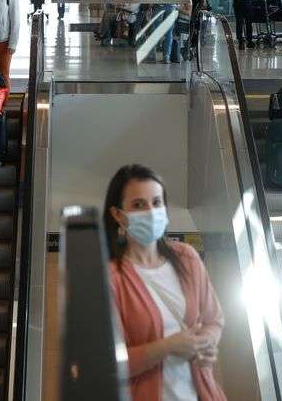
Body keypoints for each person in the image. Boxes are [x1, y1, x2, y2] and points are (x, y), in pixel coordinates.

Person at [104, 164, 226, 401]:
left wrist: (206, 344)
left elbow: (214, 320)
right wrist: (167, 347)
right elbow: (106, 364)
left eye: (157, 202)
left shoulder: (186, 257)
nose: (150, 211)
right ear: (118, 215)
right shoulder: (110, 279)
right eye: (138, 205)